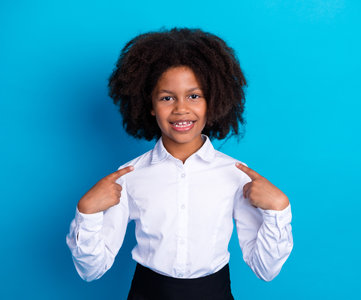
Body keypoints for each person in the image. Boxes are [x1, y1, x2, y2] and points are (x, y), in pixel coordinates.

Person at [66, 27, 293, 300]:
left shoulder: (237, 176)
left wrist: (278, 210)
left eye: (194, 96)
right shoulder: (128, 177)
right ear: (150, 104)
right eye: (167, 97)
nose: (181, 108)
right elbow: (91, 270)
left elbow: (265, 270)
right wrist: (87, 212)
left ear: (213, 101)